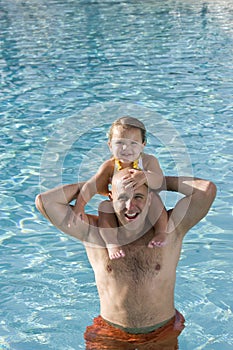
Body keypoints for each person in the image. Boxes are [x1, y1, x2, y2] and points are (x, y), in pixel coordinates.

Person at [35, 170, 216, 349]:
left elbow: (206, 190)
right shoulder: (94, 232)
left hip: (161, 332)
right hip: (110, 333)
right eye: (122, 197)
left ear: (150, 199)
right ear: (111, 198)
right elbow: (45, 202)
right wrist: (94, 186)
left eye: (138, 196)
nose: (130, 206)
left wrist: (156, 181)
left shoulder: (170, 229)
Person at [68, 116, 168, 260]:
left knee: (157, 200)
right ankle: (111, 243)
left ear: (143, 144)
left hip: (145, 206)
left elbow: (159, 181)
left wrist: (145, 176)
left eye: (133, 143)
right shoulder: (110, 166)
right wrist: (79, 207)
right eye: (120, 143)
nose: (126, 149)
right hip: (120, 209)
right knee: (104, 207)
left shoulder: (148, 161)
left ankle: (161, 232)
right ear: (110, 145)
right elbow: (91, 186)